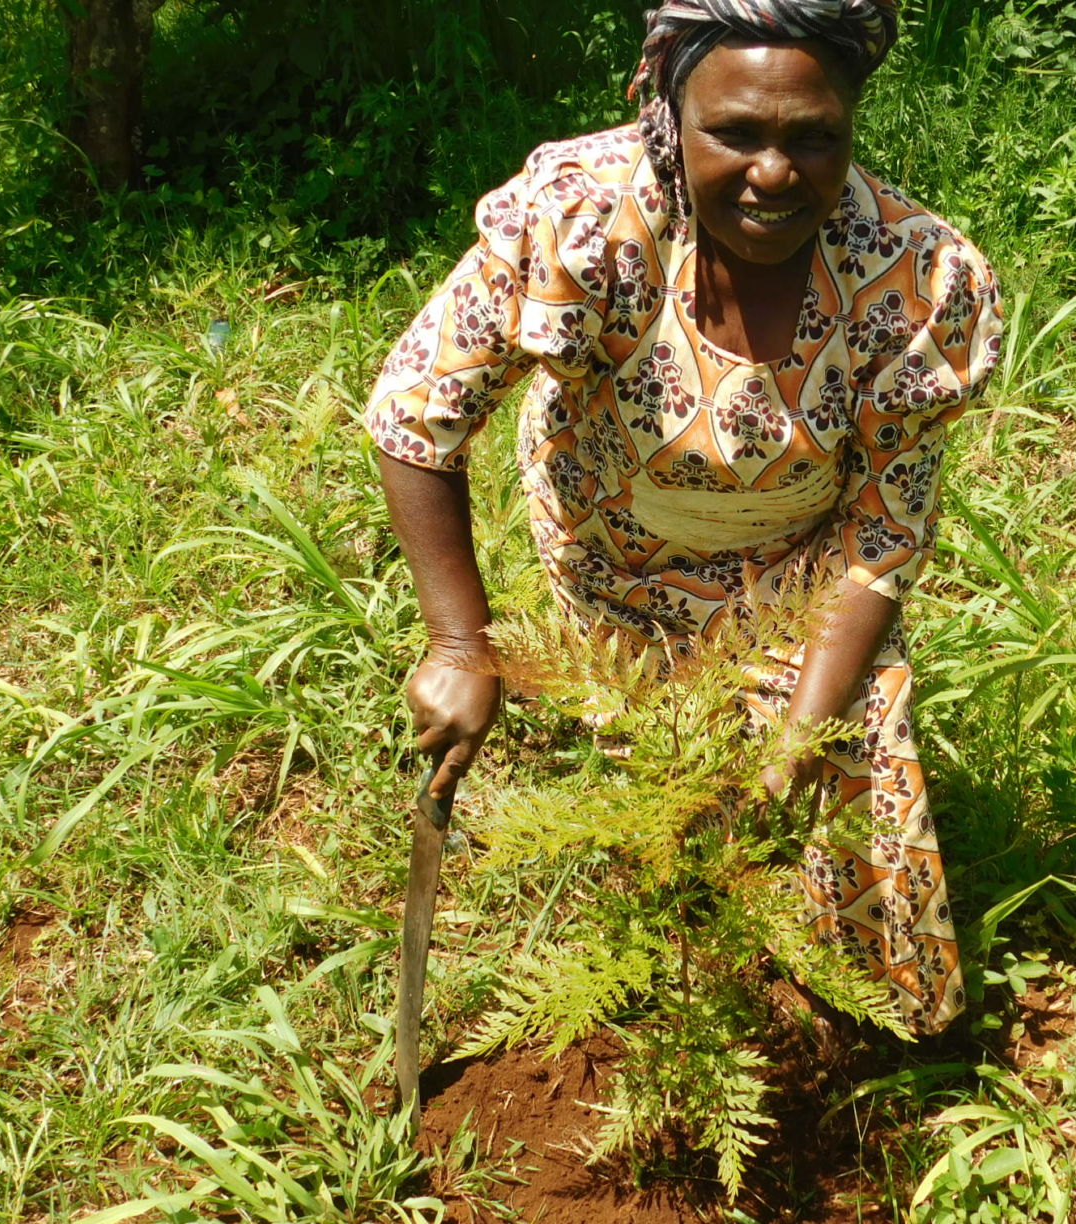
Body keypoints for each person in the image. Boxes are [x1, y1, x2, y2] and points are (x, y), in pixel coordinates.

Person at [365, 0, 1004, 1035]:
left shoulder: (917, 282)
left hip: (796, 579)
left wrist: (805, 731)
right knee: (659, 806)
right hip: (608, 549)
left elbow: (884, 532)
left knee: (849, 783)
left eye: (814, 137)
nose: (775, 172)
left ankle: (852, 1036)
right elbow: (414, 415)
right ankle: (670, 981)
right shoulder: (578, 219)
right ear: (669, 113)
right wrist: (459, 643)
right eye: (736, 133)